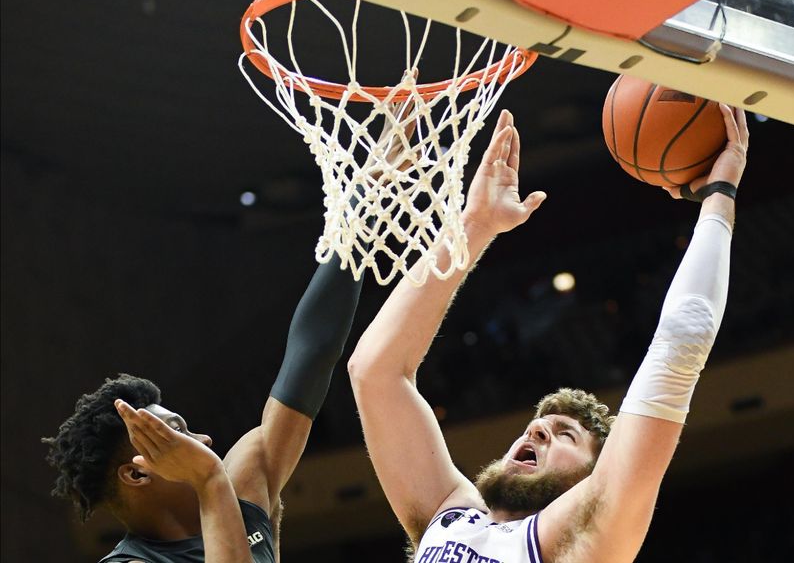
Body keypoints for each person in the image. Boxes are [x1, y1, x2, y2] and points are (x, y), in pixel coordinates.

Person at [347, 105, 748, 562]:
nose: (537, 429)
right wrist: (474, 226)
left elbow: (685, 334)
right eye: (543, 426)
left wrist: (719, 194)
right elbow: (375, 372)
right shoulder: (450, 516)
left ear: (592, 478)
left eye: (566, 436)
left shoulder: (581, 539)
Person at [43, 248, 366, 561]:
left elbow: (311, 354)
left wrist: (351, 227)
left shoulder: (242, 484)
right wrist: (209, 480)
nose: (205, 440)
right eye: (178, 432)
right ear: (137, 474)